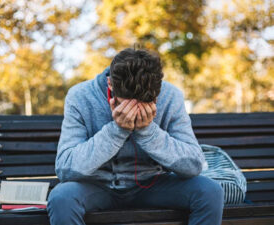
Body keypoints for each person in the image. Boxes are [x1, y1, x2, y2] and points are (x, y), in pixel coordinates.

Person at [47, 47, 224, 225]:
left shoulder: (171, 96)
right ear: (110, 84)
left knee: (210, 191)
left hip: (153, 184)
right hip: (97, 186)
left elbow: (194, 165)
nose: (136, 112)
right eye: (129, 105)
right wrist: (117, 130)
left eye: (145, 104)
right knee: (62, 198)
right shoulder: (80, 96)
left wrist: (148, 132)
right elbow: (65, 168)